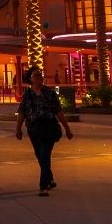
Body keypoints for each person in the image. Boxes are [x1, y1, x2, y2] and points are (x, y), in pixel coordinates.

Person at [16, 66, 74, 196]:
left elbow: (58, 111)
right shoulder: (27, 95)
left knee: (44, 154)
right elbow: (21, 113)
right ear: (30, 79)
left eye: (40, 75)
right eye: (36, 75)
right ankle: (50, 177)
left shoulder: (50, 93)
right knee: (39, 154)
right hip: (33, 128)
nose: (39, 77)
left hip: (49, 127)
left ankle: (43, 185)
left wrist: (67, 129)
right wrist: (18, 129)